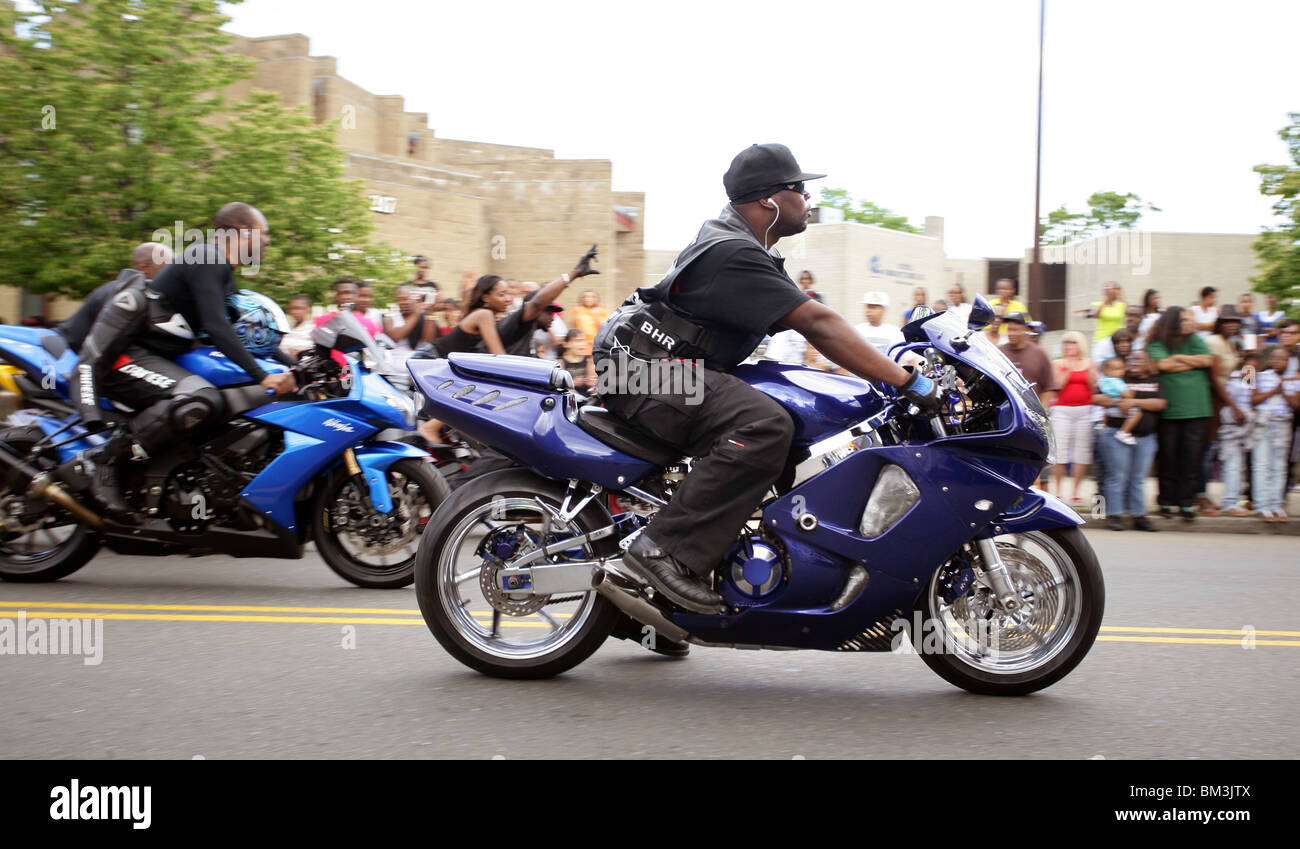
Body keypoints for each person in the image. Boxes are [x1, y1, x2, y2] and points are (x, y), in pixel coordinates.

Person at [592, 143, 938, 614]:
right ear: (768, 201)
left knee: (787, 402)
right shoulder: (733, 253)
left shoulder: (745, 250)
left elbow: (812, 326)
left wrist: (882, 369)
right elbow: (819, 323)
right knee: (763, 425)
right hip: (638, 372)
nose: (808, 199)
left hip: (652, 368)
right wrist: (905, 380)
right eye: (799, 188)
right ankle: (662, 552)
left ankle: (650, 613)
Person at [68, 203, 297, 521]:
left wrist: (293, 366)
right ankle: (104, 459)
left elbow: (242, 335)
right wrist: (262, 376)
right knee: (200, 398)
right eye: (265, 234)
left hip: (157, 359)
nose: (268, 241)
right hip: (128, 356)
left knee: (218, 403)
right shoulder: (207, 258)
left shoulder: (222, 272)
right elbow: (217, 329)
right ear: (244, 233)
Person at [1145, 306, 1214, 521]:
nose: (1188, 323)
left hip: (1196, 409)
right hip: (1169, 411)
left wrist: (1179, 359)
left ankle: (1186, 503)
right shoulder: (1158, 343)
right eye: (1183, 319)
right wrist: (1192, 362)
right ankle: (1166, 501)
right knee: (1168, 458)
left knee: (1191, 459)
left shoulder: (1195, 339)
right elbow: (1163, 364)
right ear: (1172, 321)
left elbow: (1208, 360)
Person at [1092, 349, 1166, 531]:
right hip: (1116, 433)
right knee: (1117, 476)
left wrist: (1134, 403)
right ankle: (1115, 515)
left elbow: (1160, 404)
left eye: (1140, 360)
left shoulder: (1155, 381)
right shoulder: (1118, 378)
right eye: (1132, 360)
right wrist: (1109, 400)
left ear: (1148, 363)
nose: (1134, 363)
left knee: (1138, 478)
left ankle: (1139, 515)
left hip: (1146, 438)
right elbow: (1096, 396)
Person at [57, 242, 174, 353]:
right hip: (71, 355)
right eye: (167, 266)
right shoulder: (122, 293)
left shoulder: (144, 293)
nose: (172, 273)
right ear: (145, 268)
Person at [1251, 346, 1300, 521]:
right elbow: (1253, 400)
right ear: (1271, 361)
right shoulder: (1261, 376)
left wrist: (1284, 389)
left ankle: (1277, 505)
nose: (1280, 362)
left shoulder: (1294, 380)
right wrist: (1274, 391)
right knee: (1261, 466)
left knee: (1279, 467)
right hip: (1264, 425)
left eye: (1284, 359)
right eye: (1277, 359)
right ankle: (1262, 506)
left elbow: (1296, 405)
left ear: (1289, 362)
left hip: (1283, 426)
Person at [1049, 330, 1097, 504]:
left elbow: (1094, 387)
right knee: (1061, 451)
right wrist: (1068, 369)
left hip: (1084, 410)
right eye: (1066, 342)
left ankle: (1076, 491)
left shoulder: (1089, 363)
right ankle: (1058, 490)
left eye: (1073, 342)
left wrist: (1089, 371)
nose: (1069, 346)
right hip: (1062, 410)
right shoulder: (1058, 363)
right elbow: (1057, 387)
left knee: (1081, 452)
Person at [1218, 353, 1259, 516]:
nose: (1251, 371)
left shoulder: (1249, 383)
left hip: (1243, 432)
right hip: (1231, 431)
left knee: (1237, 468)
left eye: (1255, 368)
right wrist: (1237, 412)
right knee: (1233, 467)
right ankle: (1229, 503)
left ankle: (1233, 501)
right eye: (1248, 367)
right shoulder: (1235, 383)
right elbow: (1229, 406)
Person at [998, 313, 1055, 407]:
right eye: (1009, 329)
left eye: (1015, 330)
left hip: (1031, 414)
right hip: (1005, 412)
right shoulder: (999, 353)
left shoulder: (1039, 353)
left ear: (1024, 330)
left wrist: (1043, 410)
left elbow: (1049, 387)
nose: (1011, 333)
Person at [1097, 357, 1145, 446]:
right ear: (1106, 371)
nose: (1121, 371)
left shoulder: (1103, 380)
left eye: (1122, 368)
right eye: (1116, 369)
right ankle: (1123, 432)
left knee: (1105, 412)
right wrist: (1131, 393)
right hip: (1118, 407)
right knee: (1137, 413)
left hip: (1108, 410)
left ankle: (1101, 424)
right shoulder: (1117, 381)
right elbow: (1126, 395)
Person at [854, 291, 904, 356]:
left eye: (873, 307)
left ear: (883, 310)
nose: (868, 311)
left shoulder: (895, 333)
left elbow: (909, 360)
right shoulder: (856, 331)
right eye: (867, 307)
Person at [569, 290, 608, 357]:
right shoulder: (577, 310)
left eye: (591, 297)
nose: (588, 299)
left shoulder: (601, 311)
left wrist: (597, 316)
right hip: (581, 342)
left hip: (596, 343)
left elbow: (605, 328)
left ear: (596, 299)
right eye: (585, 297)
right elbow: (573, 326)